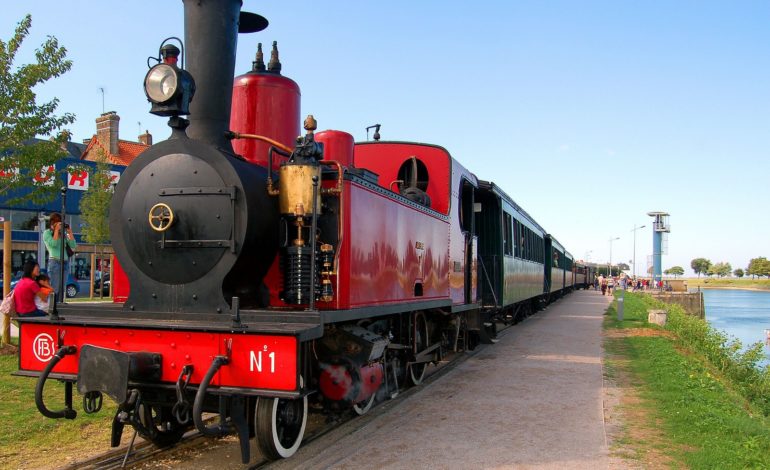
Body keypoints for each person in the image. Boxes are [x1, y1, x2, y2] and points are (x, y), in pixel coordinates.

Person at [43, 212, 77, 298]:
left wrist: (70, 232)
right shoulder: (47, 233)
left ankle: (59, 305)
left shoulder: (63, 234)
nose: (59, 224)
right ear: (52, 222)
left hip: (65, 262)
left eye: (60, 222)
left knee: (62, 287)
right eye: (57, 222)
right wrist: (56, 231)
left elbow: (73, 245)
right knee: (54, 288)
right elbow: (53, 244)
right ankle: (52, 307)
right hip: (55, 262)